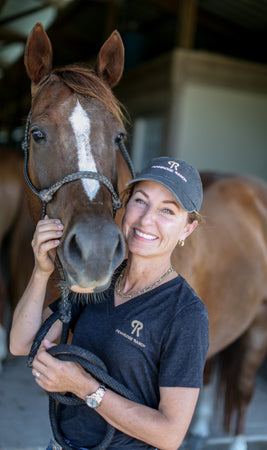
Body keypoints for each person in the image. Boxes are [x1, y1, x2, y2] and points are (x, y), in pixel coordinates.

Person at [10, 157, 209, 450]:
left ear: (186, 230)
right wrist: (42, 271)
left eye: (167, 210)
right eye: (140, 201)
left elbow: (169, 435)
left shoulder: (186, 313)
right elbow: (22, 343)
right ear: (125, 207)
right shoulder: (98, 281)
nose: (146, 220)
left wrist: (85, 386)